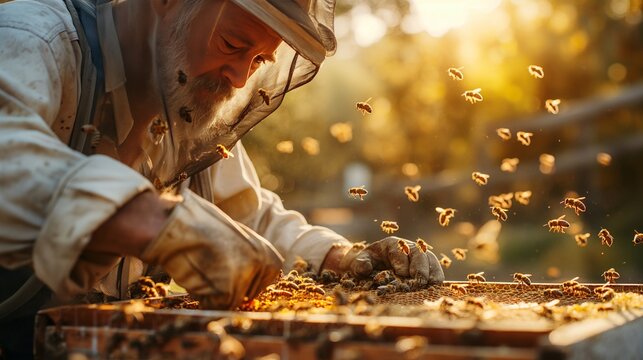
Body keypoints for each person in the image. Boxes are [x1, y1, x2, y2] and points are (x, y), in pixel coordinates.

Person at [0, 0, 444, 356]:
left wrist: (340, 259)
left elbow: (248, 220)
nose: (238, 78)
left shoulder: (185, 104)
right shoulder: (32, 38)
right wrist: (151, 220)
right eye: (233, 43)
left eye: (258, 60)